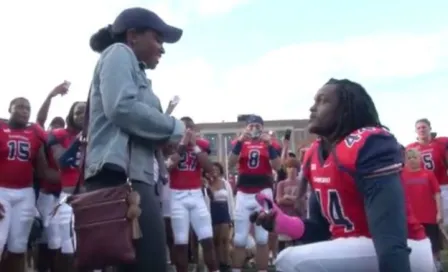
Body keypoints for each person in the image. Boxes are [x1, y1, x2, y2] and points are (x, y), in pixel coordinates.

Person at [251, 78, 434, 272]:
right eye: (315, 101)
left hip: (405, 249)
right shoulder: (315, 153)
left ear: (345, 109)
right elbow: (320, 229)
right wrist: (285, 224)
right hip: (361, 248)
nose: (312, 108)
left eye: (323, 101)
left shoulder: (369, 144)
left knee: (290, 259)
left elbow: (390, 237)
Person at [84, 6, 185, 272]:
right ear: (132, 36)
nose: (162, 49)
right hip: (122, 179)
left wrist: (161, 140)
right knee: (148, 264)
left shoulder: (135, 68)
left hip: (136, 178)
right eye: (158, 39)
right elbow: (121, 108)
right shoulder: (119, 53)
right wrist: (175, 127)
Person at [0, 97, 59, 272]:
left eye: (28, 108)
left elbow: (43, 171)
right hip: (1, 191)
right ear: (10, 108)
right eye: (20, 107)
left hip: (25, 194)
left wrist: (73, 178)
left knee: (18, 247)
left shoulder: (34, 134)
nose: (25, 111)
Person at [227, 114, 281, 272]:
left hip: (263, 192)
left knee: (262, 238)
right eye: (251, 126)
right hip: (243, 193)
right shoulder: (239, 142)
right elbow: (230, 163)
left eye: (257, 126)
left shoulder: (270, 144)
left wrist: (269, 145)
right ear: (246, 128)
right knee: (239, 239)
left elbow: (278, 167)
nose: (254, 129)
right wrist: (239, 143)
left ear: (262, 128)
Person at [167, 117, 218, 272]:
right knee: (181, 242)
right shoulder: (172, 144)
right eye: (185, 129)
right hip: (177, 195)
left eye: (191, 129)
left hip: (196, 194)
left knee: (207, 239)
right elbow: (169, 166)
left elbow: (209, 168)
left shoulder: (200, 145)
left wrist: (195, 146)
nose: (188, 132)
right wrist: (182, 144)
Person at [45, 101, 86, 271]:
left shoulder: (100, 134)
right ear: (71, 115)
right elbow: (61, 161)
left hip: (94, 194)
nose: (82, 116)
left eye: (85, 112)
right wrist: (78, 142)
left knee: (95, 242)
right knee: (68, 245)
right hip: (68, 195)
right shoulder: (58, 134)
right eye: (78, 112)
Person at [402, 148, 444, 271]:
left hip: (429, 216)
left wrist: (439, 212)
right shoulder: (402, 174)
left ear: (419, 159)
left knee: (434, 243)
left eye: (414, 157)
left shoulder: (428, 174)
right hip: (411, 217)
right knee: (413, 243)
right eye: (409, 158)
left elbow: (437, 193)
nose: (412, 160)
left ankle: (437, 264)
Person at [407, 118, 448, 225]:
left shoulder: (441, 143)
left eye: (424, 127)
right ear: (415, 131)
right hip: (424, 189)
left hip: (442, 186)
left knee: (444, 221)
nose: (421, 129)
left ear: (430, 128)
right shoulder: (411, 148)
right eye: (418, 128)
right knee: (431, 221)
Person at [206, 162, 234, 271]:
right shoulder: (208, 184)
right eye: (213, 169)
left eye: (217, 169)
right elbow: (207, 200)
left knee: (225, 239)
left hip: (224, 211)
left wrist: (232, 216)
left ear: (220, 171)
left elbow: (230, 200)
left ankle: (226, 262)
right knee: (216, 240)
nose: (215, 171)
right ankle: (218, 263)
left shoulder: (225, 183)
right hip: (213, 211)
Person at [275, 157, 300, 252]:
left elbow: (302, 200)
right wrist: (294, 200)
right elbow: (279, 200)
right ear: (286, 169)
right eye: (289, 167)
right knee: (282, 241)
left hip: (297, 216)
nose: (292, 170)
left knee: (296, 242)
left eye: (294, 167)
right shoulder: (281, 184)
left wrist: (288, 197)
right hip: (284, 217)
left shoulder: (301, 183)